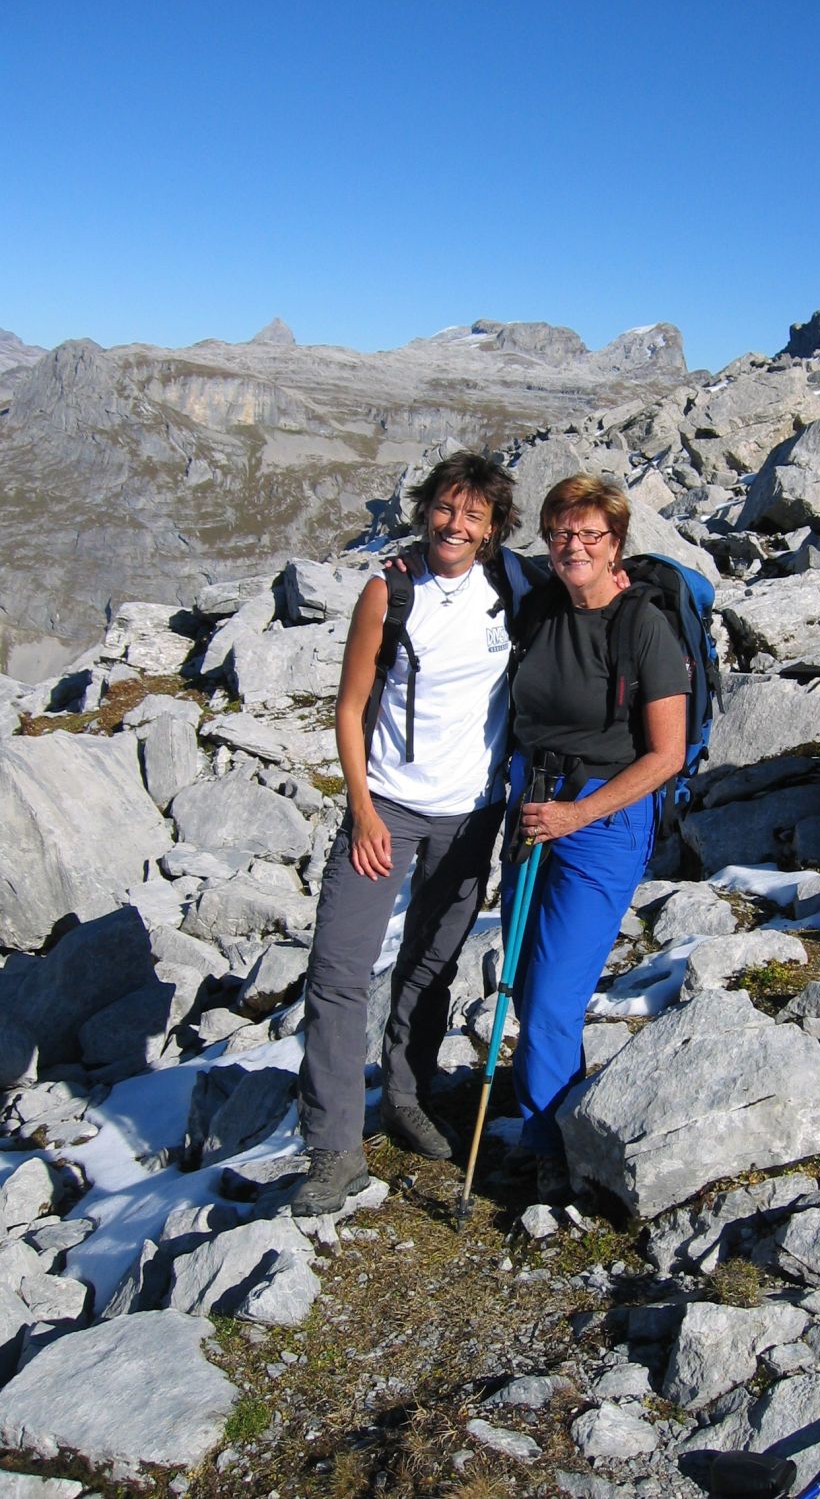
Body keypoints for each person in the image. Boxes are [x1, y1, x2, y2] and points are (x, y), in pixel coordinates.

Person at [291, 453, 520, 1215]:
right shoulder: (387, 591)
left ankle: (406, 1096)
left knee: (431, 963)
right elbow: (350, 706)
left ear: (492, 528)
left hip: (471, 813)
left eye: (472, 515)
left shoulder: (510, 589)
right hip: (385, 807)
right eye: (445, 509)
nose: (455, 525)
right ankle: (333, 1149)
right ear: (425, 511)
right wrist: (360, 809)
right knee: (337, 971)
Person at [503, 474, 689, 1203]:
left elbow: (666, 755)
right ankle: (553, 1112)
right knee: (525, 979)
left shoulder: (643, 625)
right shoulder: (539, 604)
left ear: (617, 544)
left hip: (601, 819)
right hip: (532, 805)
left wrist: (577, 816)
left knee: (553, 994)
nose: (572, 546)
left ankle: (550, 1147)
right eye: (560, 532)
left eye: (589, 534)